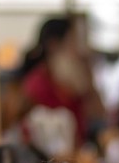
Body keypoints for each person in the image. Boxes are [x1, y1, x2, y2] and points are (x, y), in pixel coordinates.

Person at [18, 16, 106, 147]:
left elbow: (100, 115)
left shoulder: (77, 86)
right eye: (73, 44)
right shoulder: (37, 84)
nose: (80, 53)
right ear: (53, 45)